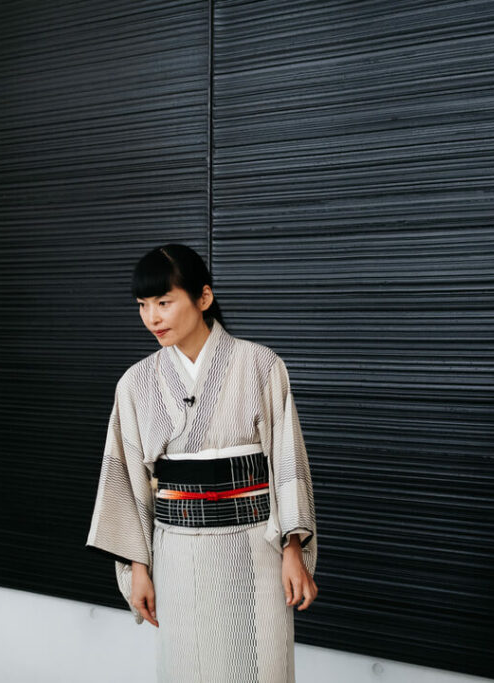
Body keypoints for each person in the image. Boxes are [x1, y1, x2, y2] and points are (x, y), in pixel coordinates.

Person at [86, 243, 319, 683]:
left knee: (261, 665)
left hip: (256, 549)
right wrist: (139, 569)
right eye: (142, 305)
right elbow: (129, 482)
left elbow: (287, 461)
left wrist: (293, 550)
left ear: (203, 297)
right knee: (187, 666)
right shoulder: (135, 383)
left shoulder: (260, 364)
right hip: (177, 554)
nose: (152, 317)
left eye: (164, 302)